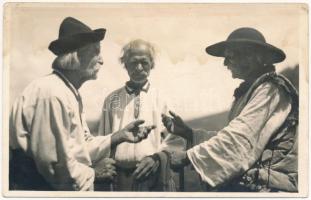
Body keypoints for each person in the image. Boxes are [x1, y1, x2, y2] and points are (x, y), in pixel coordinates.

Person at [9, 17, 154, 191]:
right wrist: (94, 174)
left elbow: (78, 148)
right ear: (77, 55)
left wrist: (118, 136)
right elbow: (56, 166)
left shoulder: (67, 92)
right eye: (96, 52)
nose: (101, 60)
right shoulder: (51, 94)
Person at [162, 27, 298, 192]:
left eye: (230, 57)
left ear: (252, 57)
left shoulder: (271, 90)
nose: (225, 63)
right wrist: (189, 133)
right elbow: (235, 136)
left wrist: (188, 156)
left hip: (271, 188)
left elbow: (239, 138)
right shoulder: (252, 91)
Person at [96, 39, 185, 191]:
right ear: (125, 64)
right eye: (133, 62)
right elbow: (103, 139)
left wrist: (157, 159)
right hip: (119, 179)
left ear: (152, 64)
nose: (138, 68)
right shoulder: (112, 99)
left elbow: (174, 140)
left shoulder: (162, 98)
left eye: (144, 62)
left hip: (154, 177)